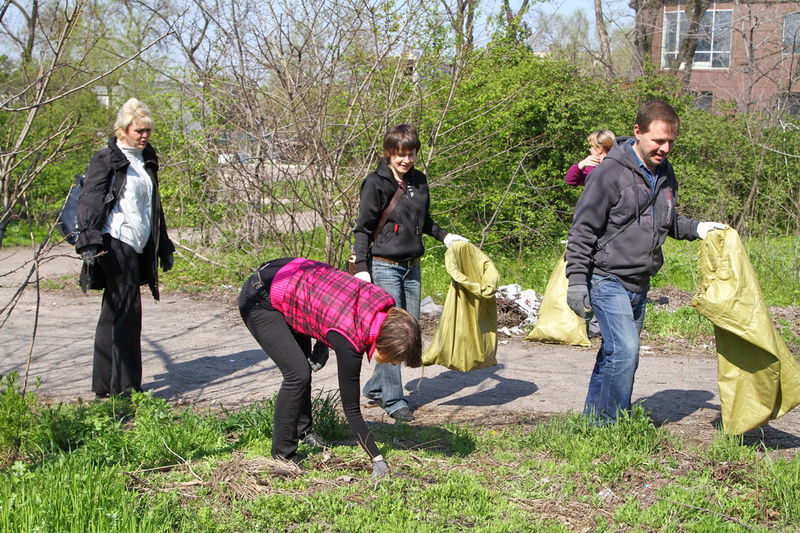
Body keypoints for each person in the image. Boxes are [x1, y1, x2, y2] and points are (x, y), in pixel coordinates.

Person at [565, 100, 727, 425]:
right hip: (605, 276)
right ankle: (612, 428)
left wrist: (698, 228)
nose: (665, 148)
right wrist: (577, 281)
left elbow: (666, 220)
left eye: (671, 142)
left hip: (639, 282)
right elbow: (583, 229)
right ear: (637, 132)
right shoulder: (610, 172)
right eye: (658, 141)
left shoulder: (665, 174)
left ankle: (593, 422)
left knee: (614, 354)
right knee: (625, 352)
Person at [238, 257, 423, 477]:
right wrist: (377, 458)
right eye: (394, 358)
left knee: (302, 365)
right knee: (298, 374)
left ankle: (304, 431)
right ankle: (283, 456)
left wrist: (323, 342)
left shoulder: (382, 304)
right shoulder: (350, 341)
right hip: (261, 297)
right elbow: (352, 411)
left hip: (291, 283)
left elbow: (335, 306)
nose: (393, 363)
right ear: (384, 344)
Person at [352, 124, 467, 422]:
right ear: (389, 153)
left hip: (412, 267)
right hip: (383, 266)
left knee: (410, 332)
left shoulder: (419, 180)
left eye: (410, 154)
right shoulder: (375, 184)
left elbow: (424, 221)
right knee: (395, 332)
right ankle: (394, 401)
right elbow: (363, 228)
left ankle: (376, 386)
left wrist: (445, 236)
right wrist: (362, 270)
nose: (405, 160)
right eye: (399, 154)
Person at [75, 98, 175, 398]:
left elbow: (153, 208)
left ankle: (105, 386)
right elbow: (90, 199)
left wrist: (164, 246)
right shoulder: (108, 158)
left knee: (113, 312)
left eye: (147, 131)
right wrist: (89, 241)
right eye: (138, 131)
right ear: (123, 130)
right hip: (115, 242)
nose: (144, 136)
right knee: (128, 312)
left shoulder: (146, 160)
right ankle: (126, 389)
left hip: (139, 243)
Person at [564, 129, 615, 338]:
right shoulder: (592, 167)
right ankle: (593, 319)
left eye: (593, 146)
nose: (590, 149)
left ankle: (598, 323)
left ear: (601, 147)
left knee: (602, 273)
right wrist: (581, 165)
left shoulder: (613, 167)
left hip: (606, 227)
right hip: (589, 222)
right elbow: (571, 180)